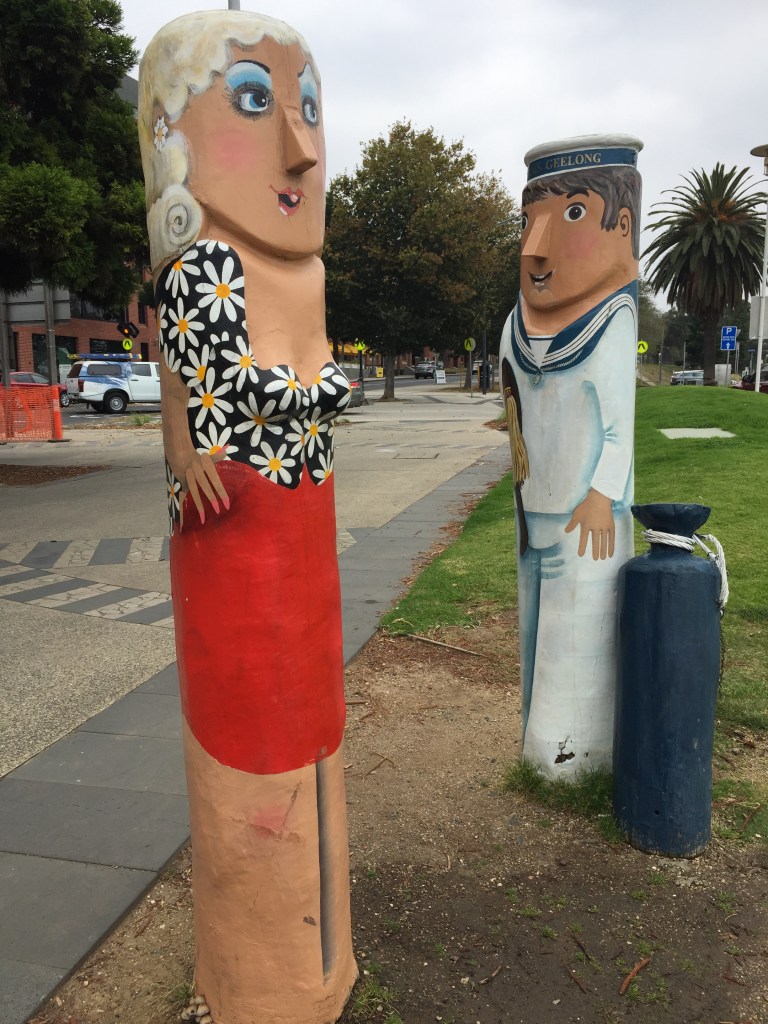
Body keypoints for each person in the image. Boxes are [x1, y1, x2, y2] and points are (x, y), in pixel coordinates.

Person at [138, 12, 356, 1022]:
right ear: (170, 131)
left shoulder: (296, 268)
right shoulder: (205, 262)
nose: (303, 148)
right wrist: (185, 446)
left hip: (297, 538)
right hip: (238, 544)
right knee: (256, 754)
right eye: (258, 103)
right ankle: (262, 982)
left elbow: (253, 380)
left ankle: (314, 967)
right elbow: (210, 373)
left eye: (308, 107)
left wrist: (308, 396)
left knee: (313, 739)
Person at [499, 135, 643, 778]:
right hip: (532, 516)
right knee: (533, 643)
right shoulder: (514, 325)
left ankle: (569, 766)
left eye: (573, 214)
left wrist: (600, 494)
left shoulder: (613, 320)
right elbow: (515, 418)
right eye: (530, 221)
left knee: (574, 649)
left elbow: (617, 428)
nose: (536, 247)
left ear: (625, 227)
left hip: (588, 521)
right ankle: (542, 753)